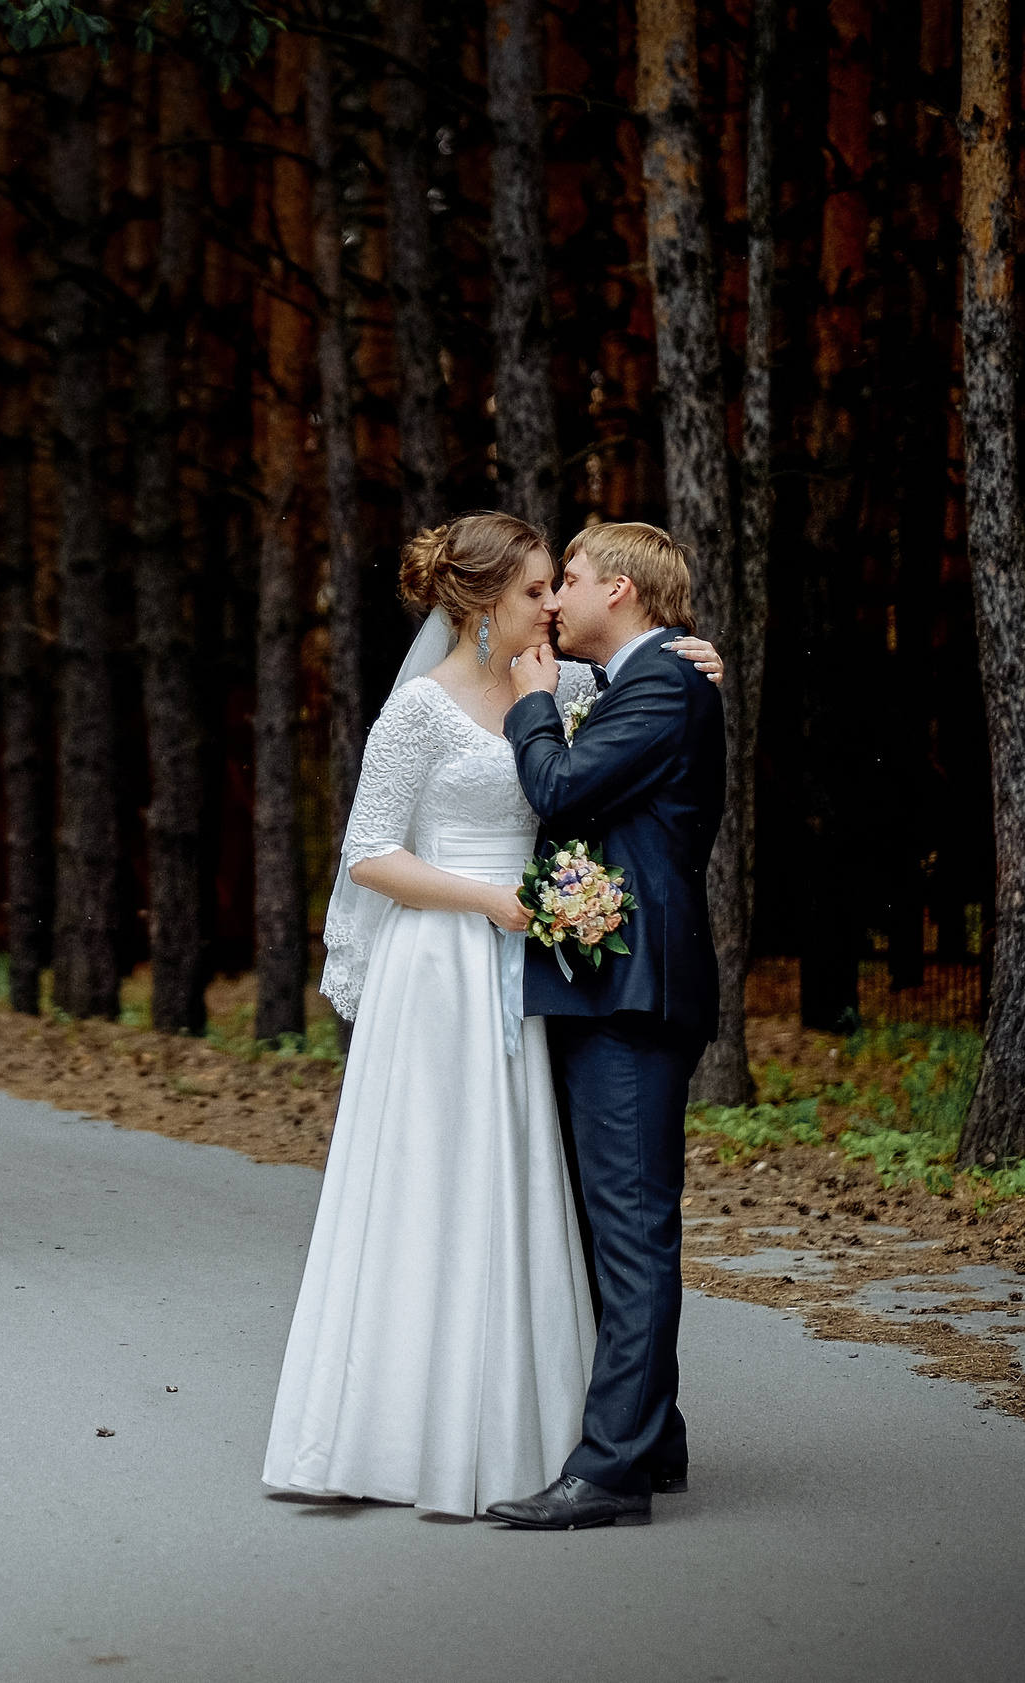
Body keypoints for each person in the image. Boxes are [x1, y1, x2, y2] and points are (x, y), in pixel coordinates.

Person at [262, 514, 723, 1518]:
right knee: (444, 1190)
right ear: (478, 608)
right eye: (531, 590)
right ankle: (416, 1427)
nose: (550, 603)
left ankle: (587, 1439)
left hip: (544, 971)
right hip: (447, 963)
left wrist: (698, 660)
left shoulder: (571, 686)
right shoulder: (420, 714)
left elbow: (628, 732)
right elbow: (368, 854)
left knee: (536, 1195)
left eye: (561, 583)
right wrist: (487, 901)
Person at [483, 521, 728, 1531]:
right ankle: (652, 1440)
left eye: (569, 580)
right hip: (611, 986)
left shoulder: (664, 679)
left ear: (619, 592)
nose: (554, 598)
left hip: (632, 993)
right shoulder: (656, 675)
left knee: (627, 1232)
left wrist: (534, 707)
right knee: (612, 1228)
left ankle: (611, 1470)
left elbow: (559, 788)